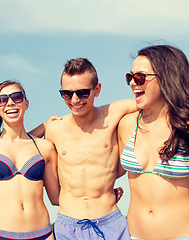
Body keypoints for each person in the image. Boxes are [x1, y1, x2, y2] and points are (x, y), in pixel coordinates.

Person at [43, 58, 136, 240]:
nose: (75, 100)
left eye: (83, 93)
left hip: (111, 222)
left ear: (97, 89)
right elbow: (22, 143)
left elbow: (151, 102)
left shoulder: (114, 114)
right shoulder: (54, 129)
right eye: (67, 94)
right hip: (68, 226)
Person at [118, 45, 189, 239]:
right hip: (135, 235)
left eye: (140, 77)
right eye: (129, 77)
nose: (133, 83)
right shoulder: (127, 125)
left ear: (166, 77)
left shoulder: (185, 126)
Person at [0, 80, 60, 240]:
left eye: (16, 97)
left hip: (42, 234)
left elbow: (56, 198)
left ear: (26, 103)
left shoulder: (45, 147)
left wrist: (100, 194)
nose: (10, 103)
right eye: (2, 99)